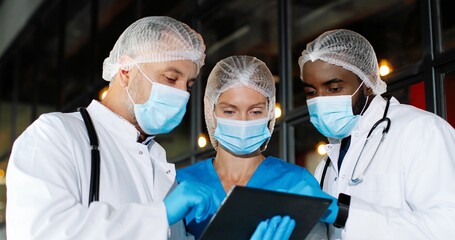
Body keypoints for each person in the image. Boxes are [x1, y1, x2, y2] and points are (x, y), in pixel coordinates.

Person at [6, 16, 219, 239]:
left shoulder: (157, 162)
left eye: (189, 84)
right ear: (126, 71)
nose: (182, 93)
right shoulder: (55, 135)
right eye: (170, 77)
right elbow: (43, 231)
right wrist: (160, 215)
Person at [293, 29, 455, 239]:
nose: (320, 100)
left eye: (333, 89)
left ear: (368, 83)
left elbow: (448, 226)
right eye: (311, 93)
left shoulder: (420, 130)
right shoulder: (326, 164)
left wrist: (345, 213)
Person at [177, 55, 331, 239]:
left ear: (270, 112)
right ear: (211, 111)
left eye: (255, 111)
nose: (243, 121)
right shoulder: (181, 184)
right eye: (229, 111)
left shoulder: (297, 183)